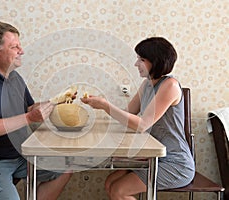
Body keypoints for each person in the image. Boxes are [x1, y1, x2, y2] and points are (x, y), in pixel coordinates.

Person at [0, 21, 71, 200]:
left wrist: (56, 102)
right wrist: (30, 117)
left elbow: (29, 109)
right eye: (14, 46)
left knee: (66, 166)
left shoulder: (15, 78)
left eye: (19, 45)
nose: (21, 51)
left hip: (17, 156)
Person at [81, 37, 195, 200]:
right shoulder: (147, 84)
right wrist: (99, 110)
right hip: (152, 157)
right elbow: (127, 114)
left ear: (156, 62)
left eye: (141, 59)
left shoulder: (170, 85)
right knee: (110, 183)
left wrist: (105, 105)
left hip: (174, 162)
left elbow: (142, 124)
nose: (136, 64)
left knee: (119, 191)